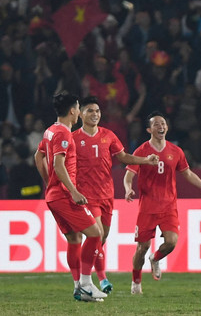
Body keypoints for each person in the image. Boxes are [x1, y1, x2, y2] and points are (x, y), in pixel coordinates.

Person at [124, 111, 201, 295]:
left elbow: (188, 174)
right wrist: (128, 188)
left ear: (167, 127)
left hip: (168, 205)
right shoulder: (141, 151)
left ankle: (155, 259)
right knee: (142, 247)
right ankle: (136, 282)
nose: (161, 126)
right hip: (147, 207)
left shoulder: (175, 151)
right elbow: (128, 174)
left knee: (171, 242)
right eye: (156, 124)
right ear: (149, 129)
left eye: (163, 123)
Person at [73, 96, 160, 293]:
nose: (95, 114)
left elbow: (124, 157)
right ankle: (94, 281)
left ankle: (97, 278)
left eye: (97, 111)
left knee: (101, 240)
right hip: (87, 196)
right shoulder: (73, 139)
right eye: (90, 111)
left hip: (107, 195)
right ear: (80, 114)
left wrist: (146, 160)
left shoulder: (108, 135)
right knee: (97, 236)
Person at [33, 92, 107, 302]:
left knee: (75, 239)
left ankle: (78, 288)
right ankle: (86, 283)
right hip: (65, 196)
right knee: (95, 234)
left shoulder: (50, 130)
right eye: (78, 109)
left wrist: (49, 182)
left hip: (53, 196)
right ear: (74, 111)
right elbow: (58, 163)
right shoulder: (64, 134)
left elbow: (38, 155)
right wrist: (73, 191)